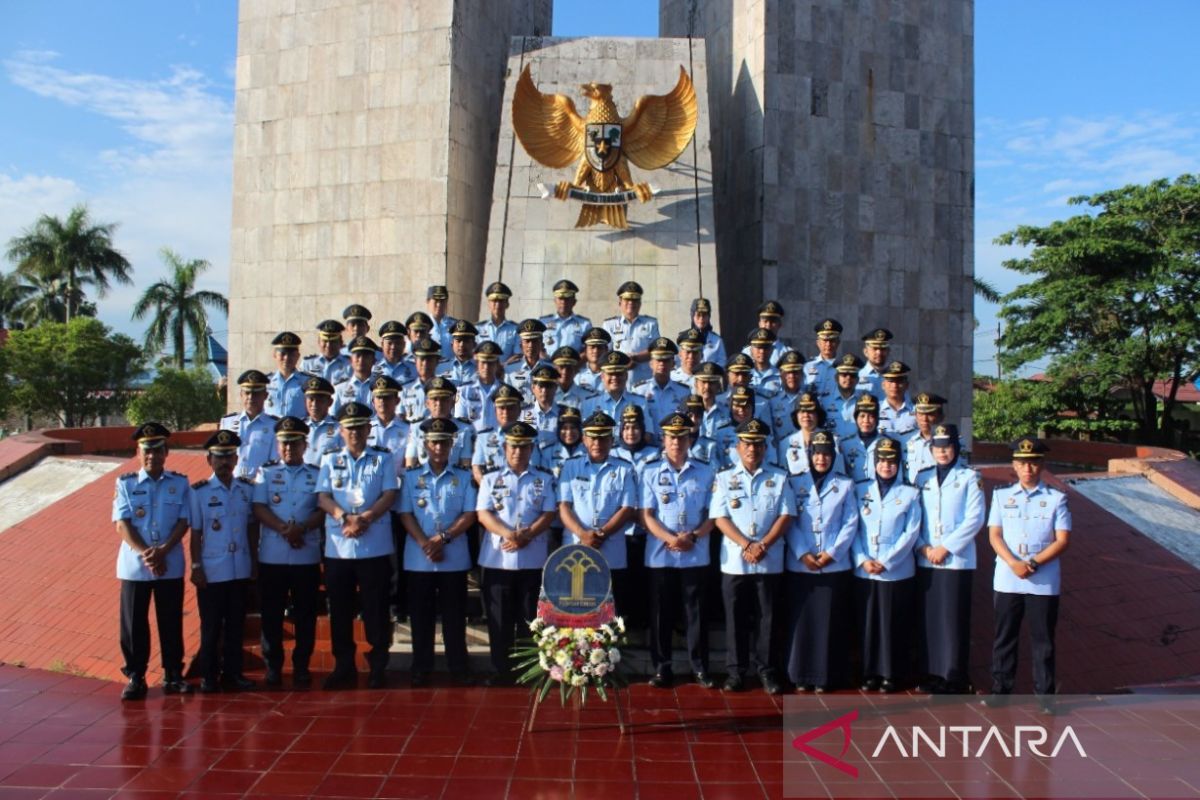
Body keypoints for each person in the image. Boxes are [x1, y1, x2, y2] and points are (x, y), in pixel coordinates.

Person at [316, 402, 400, 689]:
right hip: (339, 546)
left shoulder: (382, 459)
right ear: (341, 431)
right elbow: (323, 497)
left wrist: (365, 517)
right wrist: (344, 517)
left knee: (376, 608)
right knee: (339, 608)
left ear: (368, 429)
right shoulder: (329, 459)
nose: (354, 432)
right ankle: (344, 666)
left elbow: (390, 493)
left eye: (359, 427)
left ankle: (378, 665)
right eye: (349, 427)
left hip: (373, 545)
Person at [984, 436, 1070, 714]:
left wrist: (1031, 563)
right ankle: (1000, 691)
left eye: (1033, 463)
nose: (1028, 469)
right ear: (1014, 465)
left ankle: (1045, 697)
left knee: (1043, 641)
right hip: (1008, 577)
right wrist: (1013, 563)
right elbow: (994, 535)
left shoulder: (1057, 498)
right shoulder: (1000, 496)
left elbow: (1062, 540)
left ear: (1042, 464)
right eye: (1022, 463)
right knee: (1004, 637)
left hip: (1042, 580)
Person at [710, 418, 796, 694]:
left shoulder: (779, 477)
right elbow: (719, 518)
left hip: (769, 559)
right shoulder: (724, 478)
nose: (752, 449)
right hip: (736, 561)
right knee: (735, 618)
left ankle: (767, 671)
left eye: (758, 444)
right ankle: (736, 672)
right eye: (747, 444)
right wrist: (747, 544)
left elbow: (787, 515)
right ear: (737, 447)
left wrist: (764, 545)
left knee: (767, 618)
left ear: (766, 447)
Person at [113, 423, 193, 700]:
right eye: (147, 450)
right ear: (138, 452)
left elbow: (185, 521)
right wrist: (148, 552)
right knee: (133, 623)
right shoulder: (125, 484)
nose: (152, 456)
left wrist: (163, 551)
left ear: (167, 452)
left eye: (158, 450)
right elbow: (122, 524)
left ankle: (173, 674)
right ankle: (136, 676)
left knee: (170, 620)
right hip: (136, 565)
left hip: (169, 562)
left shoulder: (180, 483)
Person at [397, 417, 478, 687]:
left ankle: (459, 666)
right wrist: (426, 543)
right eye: (434, 442)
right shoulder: (411, 477)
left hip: (452, 556)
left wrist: (442, 539)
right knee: (421, 616)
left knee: (455, 616)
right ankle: (421, 666)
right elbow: (406, 514)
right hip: (419, 557)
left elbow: (469, 514)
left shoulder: (464, 477)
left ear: (452, 445)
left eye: (444, 442)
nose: (439, 447)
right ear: (425, 445)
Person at [475, 421, 557, 684]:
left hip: (532, 559)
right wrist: (509, 534)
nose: (518, 452)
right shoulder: (490, 479)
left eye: (523, 447)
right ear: (504, 447)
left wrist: (528, 535)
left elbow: (549, 512)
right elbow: (483, 513)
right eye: (513, 446)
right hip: (498, 559)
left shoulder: (543, 479)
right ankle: (500, 670)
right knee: (499, 620)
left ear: (531, 448)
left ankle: (527, 670)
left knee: (529, 620)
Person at [641, 412, 717, 689]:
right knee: (660, 613)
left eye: (682, 437)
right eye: (672, 437)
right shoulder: (649, 470)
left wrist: (694, 536)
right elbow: (646, 514)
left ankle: (700, 667)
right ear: (663, 439)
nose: (676, 442)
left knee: (695, 613)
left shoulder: (706, 470)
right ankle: (662, 667)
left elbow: (714, 514)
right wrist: (671, 539)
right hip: (661, 553)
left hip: (695, 552)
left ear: (689, 439)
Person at [252, 417, 325, 689]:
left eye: (295, 443)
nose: (289, 448)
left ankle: (302, 665)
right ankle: (273, 666)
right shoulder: (266, 473)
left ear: (305, 444)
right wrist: (285, 530)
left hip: (306, 555)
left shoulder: (316, 474)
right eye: (284, 443)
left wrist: (302, 528)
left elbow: (322, 508)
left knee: (306, 614)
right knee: (271, 614)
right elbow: (259, 507)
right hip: (273, 555)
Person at [784, 430, 858, 692]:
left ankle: (825, 677)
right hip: (801, 563)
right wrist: (803, 552)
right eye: (817, 453)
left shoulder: (845, 484)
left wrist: (832, 553)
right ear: (809, 455)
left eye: (827, 454)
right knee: (802, 622)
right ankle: (800, 675)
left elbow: (850, 522)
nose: (822, 458)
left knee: (830, 622)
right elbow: (788, 521)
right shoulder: (794, 482)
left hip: (833, 564)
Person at [915, 424, 985, 694]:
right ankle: (931, 673)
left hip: (956, 560)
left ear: (956, 449)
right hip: (926, 558)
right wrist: (923, 548)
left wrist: (946, 547)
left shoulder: (970, 477)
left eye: (947, 447)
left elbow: (975, 519)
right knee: (929, 618)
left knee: (953, 619)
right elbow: (916, 518)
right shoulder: (922, 478)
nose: (943, 452)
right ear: (931, 450)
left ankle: (954, 676)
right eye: (938, 448)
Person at [189, 429, 257, 693]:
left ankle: (234, 673)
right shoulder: (199, 493)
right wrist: (196, 566)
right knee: (211, 626)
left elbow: (252, 527)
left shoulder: (245, 490)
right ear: (209, 460)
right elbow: (196, 532)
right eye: (218, 457)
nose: (224, 462)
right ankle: (209, 675)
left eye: (229, 456)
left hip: (239, 566)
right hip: (212, 570)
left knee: (236, 625)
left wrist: (253, 561)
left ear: (237, 458)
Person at [852, 436, 921, 693]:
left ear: (899, 464)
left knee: (893, 624)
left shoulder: (910, 493)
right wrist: (862, 559)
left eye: (891, 461)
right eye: (881, 460)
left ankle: (891, 673)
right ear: (874, 462)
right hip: (865, 569)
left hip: (896, 570)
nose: (886, 465)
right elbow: (853, 529)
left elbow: (911, 532)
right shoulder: (860, 490)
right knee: (868, 623)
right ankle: (869, 672)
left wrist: (887, 560)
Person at [558, 411, 638, 613]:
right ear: (584, 439)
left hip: (610, 547)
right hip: (576, 545)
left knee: (609, 607)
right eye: (593, 437)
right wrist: (583, 534)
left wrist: (601, 534)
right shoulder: (570, 466)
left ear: (612, 440)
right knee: (576, 604)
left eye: (603, 437)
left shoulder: (625, 469)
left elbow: (627, 508)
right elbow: (564, 506)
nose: (598, 442)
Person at [582, 351, 657, 442]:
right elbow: (585, 438)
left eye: (619, 374)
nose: (615, 377)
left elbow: (647, 435)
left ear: (626, 375)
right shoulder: (589, 404)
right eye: (610, 373)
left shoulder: (640, 403)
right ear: (602, 376)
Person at [405, 376, 474, 470]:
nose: (439, 403)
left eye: (444, 399)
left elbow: (465, 466)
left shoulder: (464, 429)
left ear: (452, 402)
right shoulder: (417, 427)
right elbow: (410, 465)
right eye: (434, 399)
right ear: (427, 403)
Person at [220, 369, 279, 480]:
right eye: (247, 393)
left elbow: (274, 463)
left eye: (256, 393)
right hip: (232, 484)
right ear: (241, 394)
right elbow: (220, 457)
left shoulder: (274, 425)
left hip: (259, 486)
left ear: (265, 395)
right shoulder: (227, 422)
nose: (251, 397)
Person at [603, 280, 660, 383]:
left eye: (635, 300)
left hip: (644, 382)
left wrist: (636, 358)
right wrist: (623, 361)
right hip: (617, 381)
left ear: (640, 303)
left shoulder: (650, 324)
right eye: (627, 299)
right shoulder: (609, 325)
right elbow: (605, 353)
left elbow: (656, 350)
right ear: (620, 302)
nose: (631, 303)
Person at [778, 393, 844, 477]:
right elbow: (783, 477)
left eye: (810, 411)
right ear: (796, 416)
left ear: (818, 415)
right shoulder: (785, 443)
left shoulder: (833, 440)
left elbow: (839, 473)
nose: (806, 415)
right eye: (802, 411)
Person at [472, 383, 526, 483]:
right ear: (495, 410)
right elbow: (477, 469)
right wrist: (490, 489)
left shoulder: (529, 436)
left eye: (510, 408)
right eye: (502, 408)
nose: (506, 413)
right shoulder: (484, 437)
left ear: (519, 410)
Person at [633, 336, 691, 428]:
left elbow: (686, 421)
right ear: (651, 363)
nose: (662, 364)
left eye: (666, 360)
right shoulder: (639, 391)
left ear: (673, 364)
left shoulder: (684, 392)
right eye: (658, 360)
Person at [456, 340, 505, 432]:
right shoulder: (463, 390)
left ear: (496, 365)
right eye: (483, 363)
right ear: (477, 364)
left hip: (498, 441)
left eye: (490, 363)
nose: (486, 367)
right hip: (472, 439)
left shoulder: (505, 391)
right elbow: (460, 421)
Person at [905, 392, 950, 482]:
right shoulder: (907, 441)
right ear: (915, 416)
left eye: (930, 414)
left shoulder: (951, 443)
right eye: (921, 414)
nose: (924, 419)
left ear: (941, 417)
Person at [540, 278, 592, 353]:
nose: (563, 302)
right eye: (560, 299)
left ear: (574, 302)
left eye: (567, 299)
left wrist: (574, 364)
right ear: (555, 301)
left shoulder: (584, 324)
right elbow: (536, 346)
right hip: (547, 363)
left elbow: (587, 350)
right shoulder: (543, 322)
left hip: (574, 364)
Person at [266, 331, 308, 419]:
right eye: (282, 354)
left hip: (298, 430)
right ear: (274, 355)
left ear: (298, 356)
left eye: (291, 354)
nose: (286, 358)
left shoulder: (307, 382)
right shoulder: (265, 382)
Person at [400, 336, 442, 422]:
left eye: (429, 359)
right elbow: (400, 419)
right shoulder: (405, 389)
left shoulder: (445, 389)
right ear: (415, 361)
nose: (425, 364)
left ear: (437, 361)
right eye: (422, 359)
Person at [302, 375, 342, 465]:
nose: (314, 404)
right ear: (305, 401)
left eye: (320, 400)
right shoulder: (299, 427)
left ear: (330, 402)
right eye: (311, 399)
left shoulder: (339, 428)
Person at [333, 335, 379, 413]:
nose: (361, 360)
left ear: (374, 360)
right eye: (358, 356)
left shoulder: (381, 387)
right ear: (351, 360)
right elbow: (333, 417)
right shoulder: (340, 389)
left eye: (366, 356)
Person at [476, 281, 520, 363]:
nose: (498, 304)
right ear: (488, 303)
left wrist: (501, 367)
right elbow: (473, 354)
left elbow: (517, 355)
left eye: (501, 301)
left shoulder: (515, 329)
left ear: (507, 304)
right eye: (494, 301)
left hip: (506, 373)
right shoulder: (478, 329)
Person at [826, 354, 867, 440]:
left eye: (852, 375)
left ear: (858, 379)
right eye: (844, 374)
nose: (848, 378)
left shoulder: (864, 400)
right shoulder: (824, 401)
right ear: (836, 378)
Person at [740, 300, 791, 367]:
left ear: (780, 324)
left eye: (773, 322)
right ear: (759, 323)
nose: (768, 325)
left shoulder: (787, 353)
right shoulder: (747, 352)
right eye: (765, 321)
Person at [301, 319, 352, 385]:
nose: (328, 345)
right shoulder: (308, 364)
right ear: (319, 342)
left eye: (333, 342)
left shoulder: (350, 364)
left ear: (341, 343)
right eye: (325, 341)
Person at [521, 363, 561, 447]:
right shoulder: (522, 414)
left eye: (549, 386)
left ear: (556, 388)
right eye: (541, 386)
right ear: (533, 388)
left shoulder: (563, 414)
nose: (544, 390)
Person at [878, 360, 917, 442]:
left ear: (907, 385)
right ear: (883, 385)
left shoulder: (917, 410)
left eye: (899, 381)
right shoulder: (875, 410)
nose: (895, 385)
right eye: (890, 381)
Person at [509, 318, 548, 399]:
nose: (530, 345)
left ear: (541, 344)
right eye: (527, 341)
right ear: (520, 346)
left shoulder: (550, 369)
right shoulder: (510, 371)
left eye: (534, 341)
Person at [550, 345, 598, 411]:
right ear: (554, 369)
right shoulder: (547, 394)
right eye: (561, 367)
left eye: (569, 368)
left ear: (575, 370)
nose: (565, 372)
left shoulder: (588, 396)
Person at [374, 320, 418, 386]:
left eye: (398, 343)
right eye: (389, 343)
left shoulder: (414, 369)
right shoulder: (373, 370)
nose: (393, 347)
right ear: (382, 344)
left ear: (404, 345)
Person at [437, 319, 478, 385]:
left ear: (474, 345)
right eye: (458, 341)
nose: (462, 345)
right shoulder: (440, 368)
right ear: (452, 345)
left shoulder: (482, 369)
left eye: (466, 341)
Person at [858, 328, 893, 401]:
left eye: (883, 349)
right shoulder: (857, 377)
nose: (879, 353)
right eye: (875, 348)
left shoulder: (896, 378)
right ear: (865, 352)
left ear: (888, 351)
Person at [689, 297, 726, 366]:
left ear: (709, 316)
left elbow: (722, 363)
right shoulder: (685, 340)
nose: (701, 319)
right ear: (692, 316)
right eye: (698, 315)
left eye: (705, 315)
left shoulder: (717, 340)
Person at [746, 327, 783, 396]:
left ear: (772, 350)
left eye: (766, 348)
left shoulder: (780, 376)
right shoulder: (745, 375)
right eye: (759, 347)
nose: (762, 351)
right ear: (751, 350)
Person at [577, 326, 611, 392]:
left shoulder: (613, 376)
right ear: (585, 351)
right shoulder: (578, 376)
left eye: (599, 347)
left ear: (606, 350)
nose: (596, 351)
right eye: (592, 347)